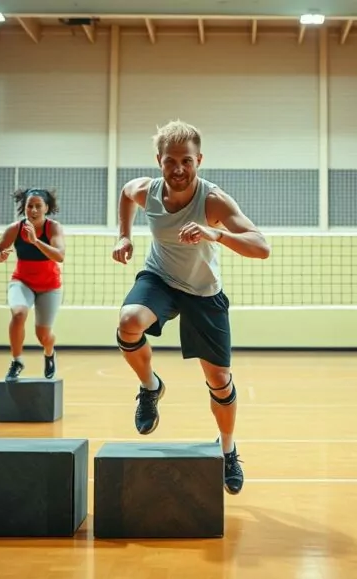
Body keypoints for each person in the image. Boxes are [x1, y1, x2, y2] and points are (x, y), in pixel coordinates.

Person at [111, 120, 271, 495]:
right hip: (160, 278)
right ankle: (150, 388)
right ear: (159, 161)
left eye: (186, 161)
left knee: (218, 380)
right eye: (170, 161)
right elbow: (124, 192)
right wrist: (123, 235)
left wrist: (215, 232)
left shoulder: (212, 200)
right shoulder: (146, 191)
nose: (178, 169)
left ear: (199, 160)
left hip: (202, 291)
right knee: (129, 321)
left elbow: (261, 246)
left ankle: (228, 450)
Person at [0, 188, 65, 382]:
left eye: (38, 206)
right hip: (22, 281)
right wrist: (0, 257)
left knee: (43, 336)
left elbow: (60, 255)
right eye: (29, 206)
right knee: (18, 314)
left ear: (46, 208)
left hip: (50, 286)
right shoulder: (15, 229)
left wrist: (35, 241)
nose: (33, 210)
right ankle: (17, 361)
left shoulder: (53, 228)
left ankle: (49, 353)